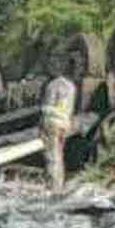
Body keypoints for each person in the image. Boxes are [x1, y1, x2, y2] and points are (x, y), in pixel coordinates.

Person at [39, 55, 77, 193]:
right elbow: (70, 109)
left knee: (51, 156)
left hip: (52, 124)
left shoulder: (52, 86)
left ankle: (53, 188)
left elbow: (48, 108)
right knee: (59, 156)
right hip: (64, 124)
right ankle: (60, 185)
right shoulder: (71, 87)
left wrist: (42, 111)